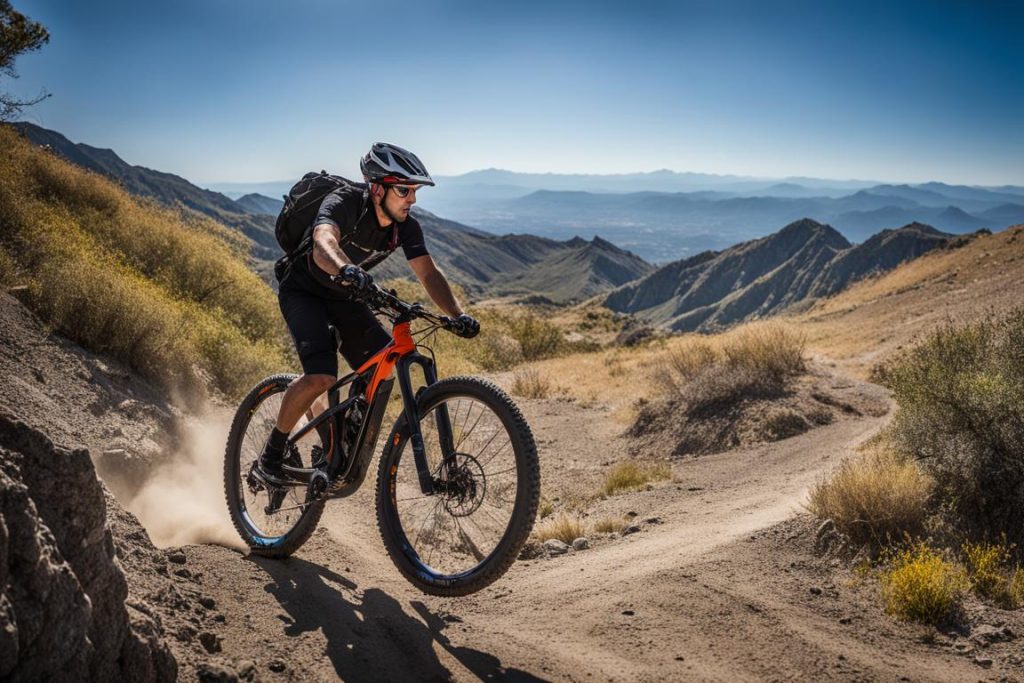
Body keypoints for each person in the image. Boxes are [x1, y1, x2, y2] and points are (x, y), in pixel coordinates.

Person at [256, 142, 479, 485]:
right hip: (303, 290)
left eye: (415, 191)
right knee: (321, 377)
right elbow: (323, 243)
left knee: (381, 367)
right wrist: (347, 268)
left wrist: (457, 314)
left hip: (345, 294)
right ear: (377, 188)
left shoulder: (405, 227)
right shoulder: (344, 203)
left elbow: (429, 274)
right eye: (404, 190)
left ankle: (335, 445)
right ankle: (270, 456)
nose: (412, 199)